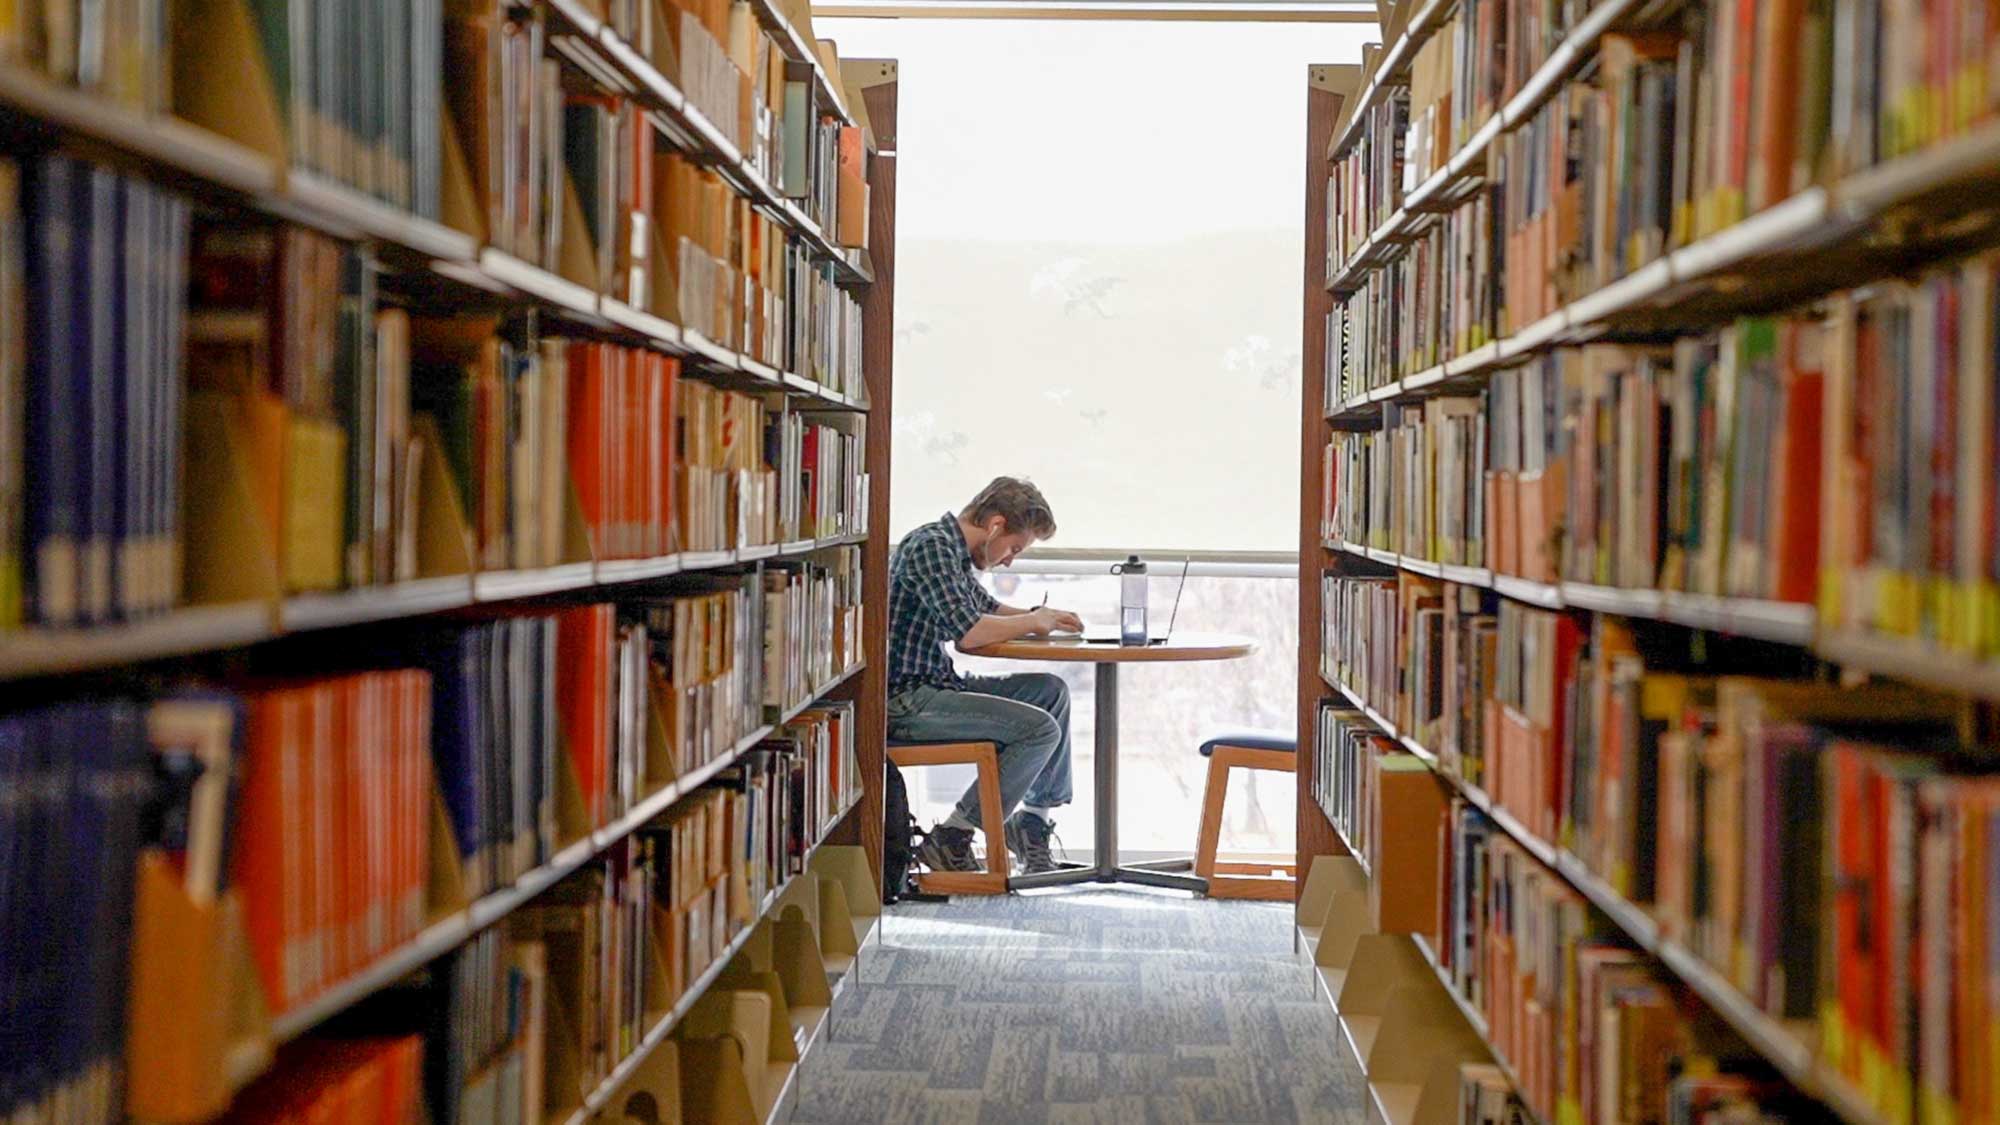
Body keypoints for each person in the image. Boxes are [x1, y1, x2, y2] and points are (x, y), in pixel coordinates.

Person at [887, 476, 1084, 876]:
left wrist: (1046, 619)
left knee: (1051, 692)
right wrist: (1033, 621)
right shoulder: (930, 547)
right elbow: (970, 633)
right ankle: (953, 837)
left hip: (938, 685)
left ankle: (1030, 824)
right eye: (1014, 547)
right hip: (905, 701)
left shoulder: (954, 553)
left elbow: (987, 608)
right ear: (995, 526)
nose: (1010, 560)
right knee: (1039, 730)